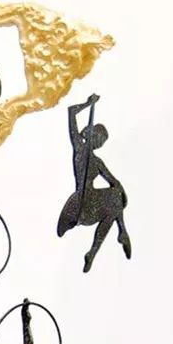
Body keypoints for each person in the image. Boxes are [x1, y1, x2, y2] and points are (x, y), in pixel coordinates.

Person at [57, 93, 131, 272]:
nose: (100, 143)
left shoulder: (97, 162)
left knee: (114, 203)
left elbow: (114, 182)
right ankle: (122, 232)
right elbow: (71, 112)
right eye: (99, 138)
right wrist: (88, 103)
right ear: (91, 134)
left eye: (102, 142)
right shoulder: (79, 148)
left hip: (91, 206)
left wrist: (123, 195)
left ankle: (93, 252)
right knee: (114, 202)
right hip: (79, 204)